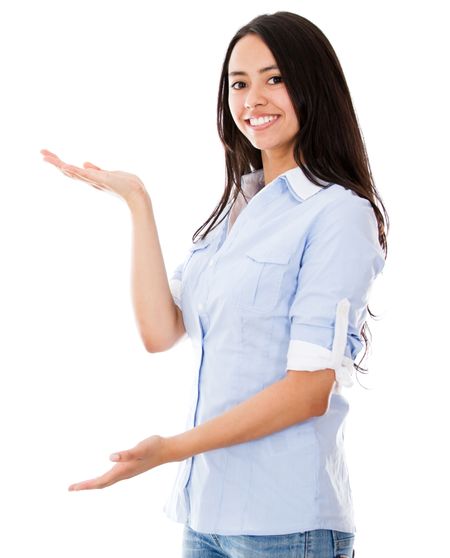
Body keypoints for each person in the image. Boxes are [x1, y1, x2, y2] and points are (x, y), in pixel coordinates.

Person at [40, 10, 389, 558]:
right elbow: (160, 330)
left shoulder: (339, 214)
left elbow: (308, 391)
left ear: (314, 85)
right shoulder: (238, 210)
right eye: (239, 84)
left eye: (275, 79)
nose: (254, 99)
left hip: (285, 523)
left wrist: (172, 449)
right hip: (205, 515)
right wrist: (138, 202)